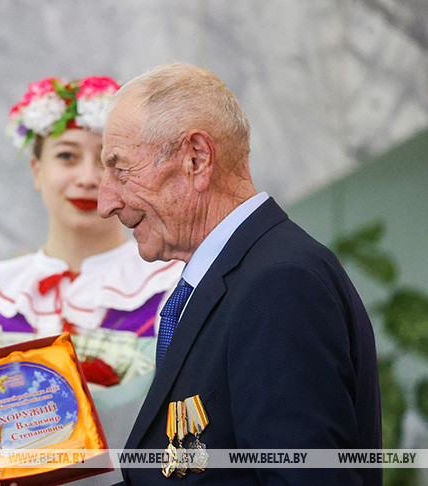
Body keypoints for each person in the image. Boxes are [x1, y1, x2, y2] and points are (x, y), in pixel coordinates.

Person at [98, 63, 381, 485]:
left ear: (196, 158)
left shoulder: (280, 284)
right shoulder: (240, 275)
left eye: (121, 169)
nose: (105, 201)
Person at [0, 75, 182, 486]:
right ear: (36, 169)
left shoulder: (171, 291)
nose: (88, 179)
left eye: (107, 162)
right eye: (67, 156)